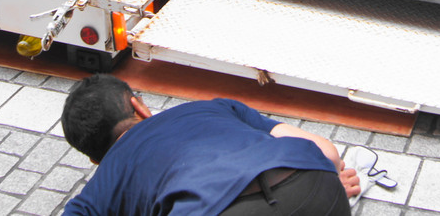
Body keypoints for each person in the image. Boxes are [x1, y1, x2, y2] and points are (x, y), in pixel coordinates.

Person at [59, 74, 359, 215]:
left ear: (95, 159)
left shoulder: (101, 186)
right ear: (139, 107)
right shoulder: (213, 107)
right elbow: (327, 152)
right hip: (316, 186)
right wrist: (325, 177)